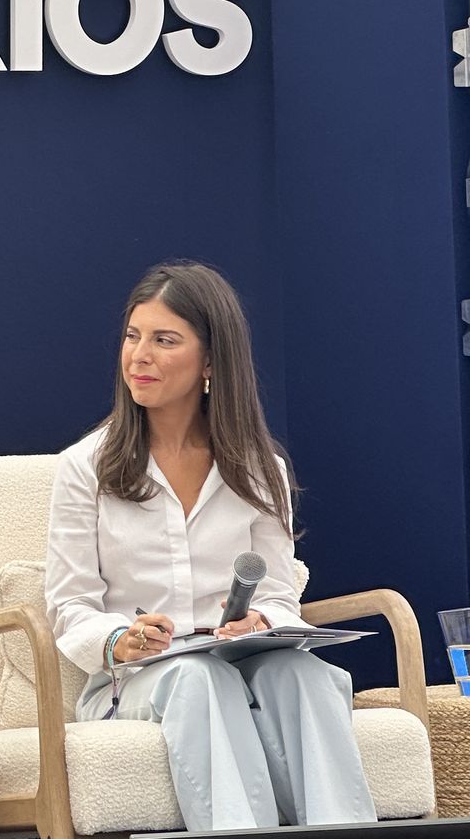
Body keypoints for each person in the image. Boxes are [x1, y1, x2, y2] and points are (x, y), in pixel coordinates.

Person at [44, 261, 374, 830]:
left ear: (211, 362)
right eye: (132, 336)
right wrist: (121, 639)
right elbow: (69, 606)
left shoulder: (258, 469)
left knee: (307, 676)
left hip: (243, 664)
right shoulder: (85, 468)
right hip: (141, 682)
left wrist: (262, 622)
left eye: (164, 340)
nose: (138, 356)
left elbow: (276, 589)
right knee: (200, 677)